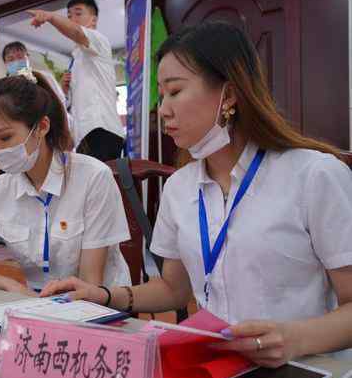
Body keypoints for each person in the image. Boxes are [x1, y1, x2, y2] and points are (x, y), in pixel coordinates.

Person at [40, 21, 352, 368]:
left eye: (175, 91)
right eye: (161, 94)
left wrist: (293, 339)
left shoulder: (314, 175)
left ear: (229, 95)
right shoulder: (179, 187)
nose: (164, 109)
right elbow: (174, 289)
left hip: (302, 366)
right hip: (215, 366)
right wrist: (105, 295)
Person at [0, 71, 131, 294]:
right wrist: (5, 283)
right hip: (35, 306)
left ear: (41, 127)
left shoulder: (93, 177)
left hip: (97, 310)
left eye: (6, 137)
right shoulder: (3, 188)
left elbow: (90, 286)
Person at [28, 0, 124, 161]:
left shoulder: (98, 39)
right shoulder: (76, 58)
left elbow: (77, 32)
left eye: (78, 13)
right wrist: (65, 91)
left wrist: (50, 17)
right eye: (69, 15)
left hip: (100, 129)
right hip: (84, 134)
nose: (72, 19)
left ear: (93, 20)